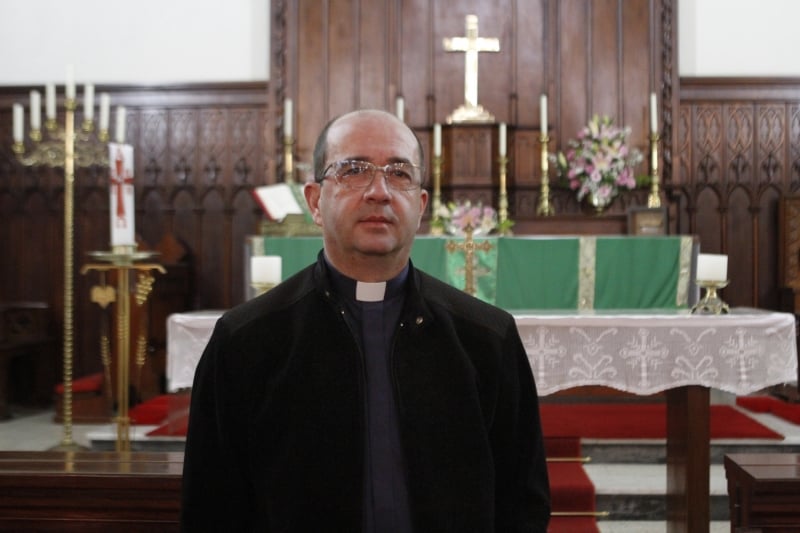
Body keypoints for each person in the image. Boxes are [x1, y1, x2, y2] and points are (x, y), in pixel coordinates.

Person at [180, 109, 551, 532]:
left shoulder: (486, 338)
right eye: (354, 170)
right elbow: (212, 508)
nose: (379, 192)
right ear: (315, 201)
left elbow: (523, 502)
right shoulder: (245, 341)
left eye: (399, 173)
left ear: (420, 205)